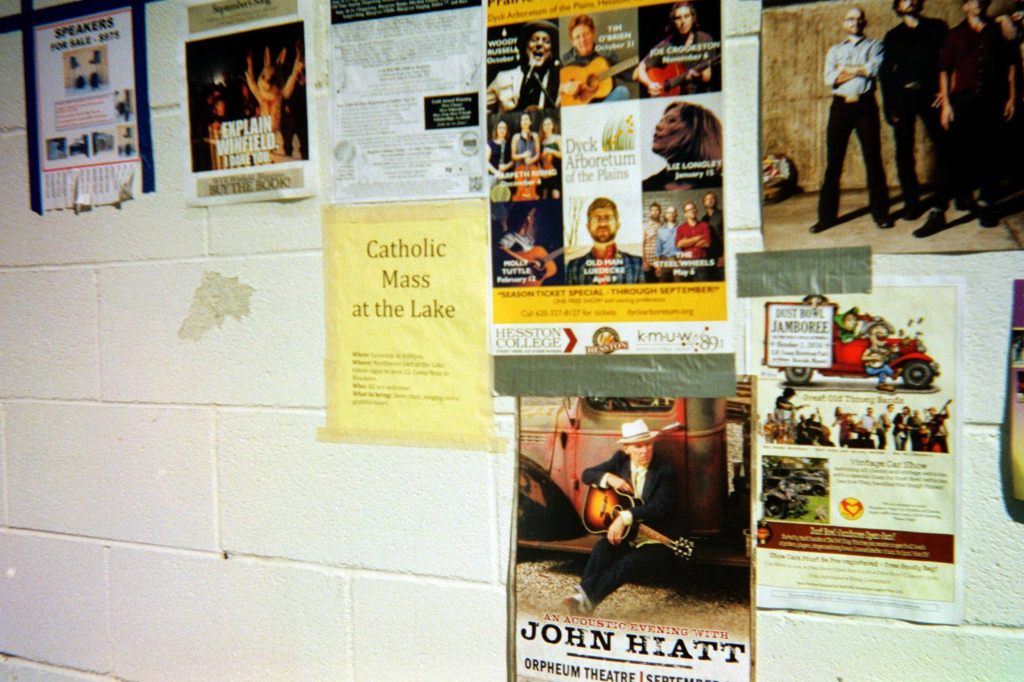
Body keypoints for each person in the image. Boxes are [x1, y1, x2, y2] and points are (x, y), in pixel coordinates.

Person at [914, 0, 1017, 237]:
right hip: (963, 101)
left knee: (991, 154)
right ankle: (938, 212)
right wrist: (947, 106)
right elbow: (945, 71)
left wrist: (1012, 98)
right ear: (964, 7)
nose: (977, 3)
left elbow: (1012, 66)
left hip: (994, 101)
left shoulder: (999, 30)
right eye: (971, 0)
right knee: (950, 158)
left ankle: (986, 205)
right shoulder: (954, 35)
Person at [563, 420, 679, 614]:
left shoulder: (665, 472)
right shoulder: (619, 461)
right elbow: (587, 474)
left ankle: (582, 600)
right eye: (638, 446)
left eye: (648, 444)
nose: (644, 451)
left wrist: (624, 517)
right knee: (601, 548)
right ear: (626, 449)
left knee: (627, 564)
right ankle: (583, 602)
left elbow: (661, 507)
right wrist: (610, 478)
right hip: (629, 535)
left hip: (656, 540)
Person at [811, 7, 893, 233]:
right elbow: (829, 79)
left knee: (873, 160)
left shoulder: (875, 45)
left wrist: (845, 70)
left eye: (858, 19)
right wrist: (860, 69)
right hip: (840, 107)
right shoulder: (834, 50)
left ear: (864, 22)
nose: (855, 22)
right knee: (833, 163)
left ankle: (881, 214)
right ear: (844, 24)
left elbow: (874, 69)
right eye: (850, 19)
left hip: (865, 106)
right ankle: (826, 218)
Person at [880, 0, 948, 221]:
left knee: (944, 144)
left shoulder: (937, 27)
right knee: (903, 151)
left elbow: (947, 62)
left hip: (931, 95)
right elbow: (886, 74)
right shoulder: (893, 36)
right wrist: (889, 105)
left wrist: (944, 93)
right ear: (898, 7)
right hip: (903, 98)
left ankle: (944, 196)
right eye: (904, 0)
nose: (909, 2)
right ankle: (911, 202)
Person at [637, 2, 718, 96]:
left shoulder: (704, 39)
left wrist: (693, 76)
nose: (683, 21)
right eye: (678, 18)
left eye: (686, 16)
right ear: (673, 22)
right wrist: (650, 84)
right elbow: (640, 68)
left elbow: (706, 77)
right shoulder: (666, 44)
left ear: (693, 18)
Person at [642, 101, 723, 191]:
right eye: (661, 121)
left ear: (696, 131)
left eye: (671, 120)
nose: (658, 126)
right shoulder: (647, 186)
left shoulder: (720, 185)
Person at [566, 198, 644, 285]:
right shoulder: (574, 267)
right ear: (588, 226)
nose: (602, 224)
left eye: (608, 218)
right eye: (596, 219)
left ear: (617, 225)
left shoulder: (638, 264)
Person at [487, 20, 560, 112]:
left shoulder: (558, 80)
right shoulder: (503, 78)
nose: (539, 44)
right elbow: (483, 110)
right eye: (534, 40)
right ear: (526, 47)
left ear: (551, 51)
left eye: (546, 41)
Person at [559, 14, 632, 105]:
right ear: (572, 41)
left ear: (593, 34)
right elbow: (550, 87)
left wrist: (641, 69)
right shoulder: (564, 61)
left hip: (603, 106)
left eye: (586, 34)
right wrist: (564, 87)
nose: (582, 40)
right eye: (577, 37)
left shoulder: (606, 54)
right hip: (578, 110)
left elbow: (627, 74)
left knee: (623, 91)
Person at [673, 201, 712, 282]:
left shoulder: (704, 225)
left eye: (693, 208)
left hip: (701, 262)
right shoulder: (681, 228)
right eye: (689, 210)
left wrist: (686, 241)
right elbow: (679, 244)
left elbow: (707, 243)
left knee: (702, 290)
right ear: (685, 214)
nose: (692, 211)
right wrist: (698, 237)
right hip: (685, 263)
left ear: (696, 211)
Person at [510, 113, 541, 201]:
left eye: (526, 119)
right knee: (520, 190)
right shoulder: (516, 137)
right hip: (519, 168)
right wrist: (523, 155)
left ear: (530, 122)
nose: (524, 121)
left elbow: (538, 154)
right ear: (520, 122)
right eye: (522, 119)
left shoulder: (535, 136)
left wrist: (531, 160)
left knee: (532, 190)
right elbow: (513, 156)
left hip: (532, 168)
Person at [700, 190, 724, 277]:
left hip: (720, 254)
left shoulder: (722, 215)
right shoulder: (703, 219)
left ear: (716, 200)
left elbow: (726, 236)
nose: (710, 200)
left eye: (712, 198)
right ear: (704, 203)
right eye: (707, 199)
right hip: (709, 255)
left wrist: (724, 255)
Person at [538, 117, 562, 199]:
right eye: (545, 124)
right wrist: (540, 170)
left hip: (556, 172)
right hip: (544, 173)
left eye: (549, 124)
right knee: (544, 197)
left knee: (556, 196)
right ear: (542, 127)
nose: (547, 126)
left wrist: (551, 151)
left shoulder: (558, 138)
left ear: (553, 126)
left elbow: (563, 155)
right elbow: (538, 159)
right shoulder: (540, 140)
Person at [655, 204, 679, 282]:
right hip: (664, 260)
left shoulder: (681, 228)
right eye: (669, 212)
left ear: (676, 214)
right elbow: (658, 250)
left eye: (673, 212)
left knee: (679, 284)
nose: (671, 214)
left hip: (678, 260)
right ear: (665, 215)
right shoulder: (661, 231)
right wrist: (658, 266)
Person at [487, 119, 514, 188]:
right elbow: (486, 162)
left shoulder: (510, 144)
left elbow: (514, 160)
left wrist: (506, 166)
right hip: (493, 176)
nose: (502, 130)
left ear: (507, 130)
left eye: (504, 128)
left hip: (506, 176)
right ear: (496, 129)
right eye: (500, 128)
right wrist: (495, 172)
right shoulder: (490, 144)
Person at [642, 202, 663, 283]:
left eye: (656, 210)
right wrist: (644, 261)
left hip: (658, 262)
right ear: (650, 212)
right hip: (648, 262)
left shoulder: (662, 226)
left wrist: (659, 264)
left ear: (660, 212)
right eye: (652, 210)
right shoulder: (645, 226)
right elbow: (642, 245)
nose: (654, 212)